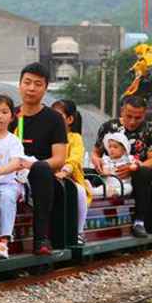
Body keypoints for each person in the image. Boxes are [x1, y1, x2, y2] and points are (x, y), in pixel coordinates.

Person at [12, 63, 67, 256]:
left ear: (45, 88)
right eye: (27, 82)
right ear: (19, 85)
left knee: (41, 170)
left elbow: (60, 159)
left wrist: (33, 165)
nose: (31, 88)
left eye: (38, 84)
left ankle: (41, 238)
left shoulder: (54, 119)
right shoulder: (7, 115)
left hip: (41, 175)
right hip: (10, 172)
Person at [92, 95, 152, 238]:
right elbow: (95, 153)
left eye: (138, 118)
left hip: (135, 174)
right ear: (122, 111)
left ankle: (139, 222)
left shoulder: (150, 130)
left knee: (144, 172)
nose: (133, 121)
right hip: (109, 171)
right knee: (86, 172)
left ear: (144, 114)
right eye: (129, 116)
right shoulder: (108, 127)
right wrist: (97, 162)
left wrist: (133, 167)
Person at [0, 95, 26, 258]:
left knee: (7, 198)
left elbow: (16, 162)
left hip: (5, 184)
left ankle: (3, 240)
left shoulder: (13, 141)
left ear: (11, 116)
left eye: (4, 112)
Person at [51, 99, 90, 244]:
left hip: (70, 178)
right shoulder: (48, 137)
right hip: (50, 176)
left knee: (78, 190)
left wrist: (64, 171)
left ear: (70, 119)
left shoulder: (75, 138)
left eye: (58, 115)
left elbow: (75, 158)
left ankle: (79, 231)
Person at [90, 132, 135, 198]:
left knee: (129, 188)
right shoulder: (106, 159)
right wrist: (105, 171)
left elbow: (134, 164)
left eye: (115, 147)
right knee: (101, 188)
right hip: (108, 185)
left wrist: (132, 167)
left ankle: (116, 193)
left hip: (122, 184)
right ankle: (91, 190)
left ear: (124, 149)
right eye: (110, 147)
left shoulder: (128, 159)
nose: (111, 149)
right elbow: (105, 167)